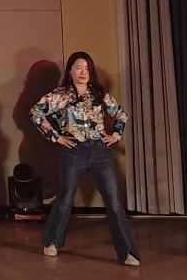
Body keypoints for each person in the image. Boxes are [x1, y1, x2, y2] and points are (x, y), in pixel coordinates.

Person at [30, 51, 140, 267]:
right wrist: (56, 137)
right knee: (65, 199)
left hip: (101, 152)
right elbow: (36, 112)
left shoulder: (98, 93)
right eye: (78, 68)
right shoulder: (61, 94)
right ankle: (52, 241)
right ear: (70, 71)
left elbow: (120, 114)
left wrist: (116, 135)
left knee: (114, 203)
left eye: (87, 68)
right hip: (74, 151)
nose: (83, 72)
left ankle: (128, 252)